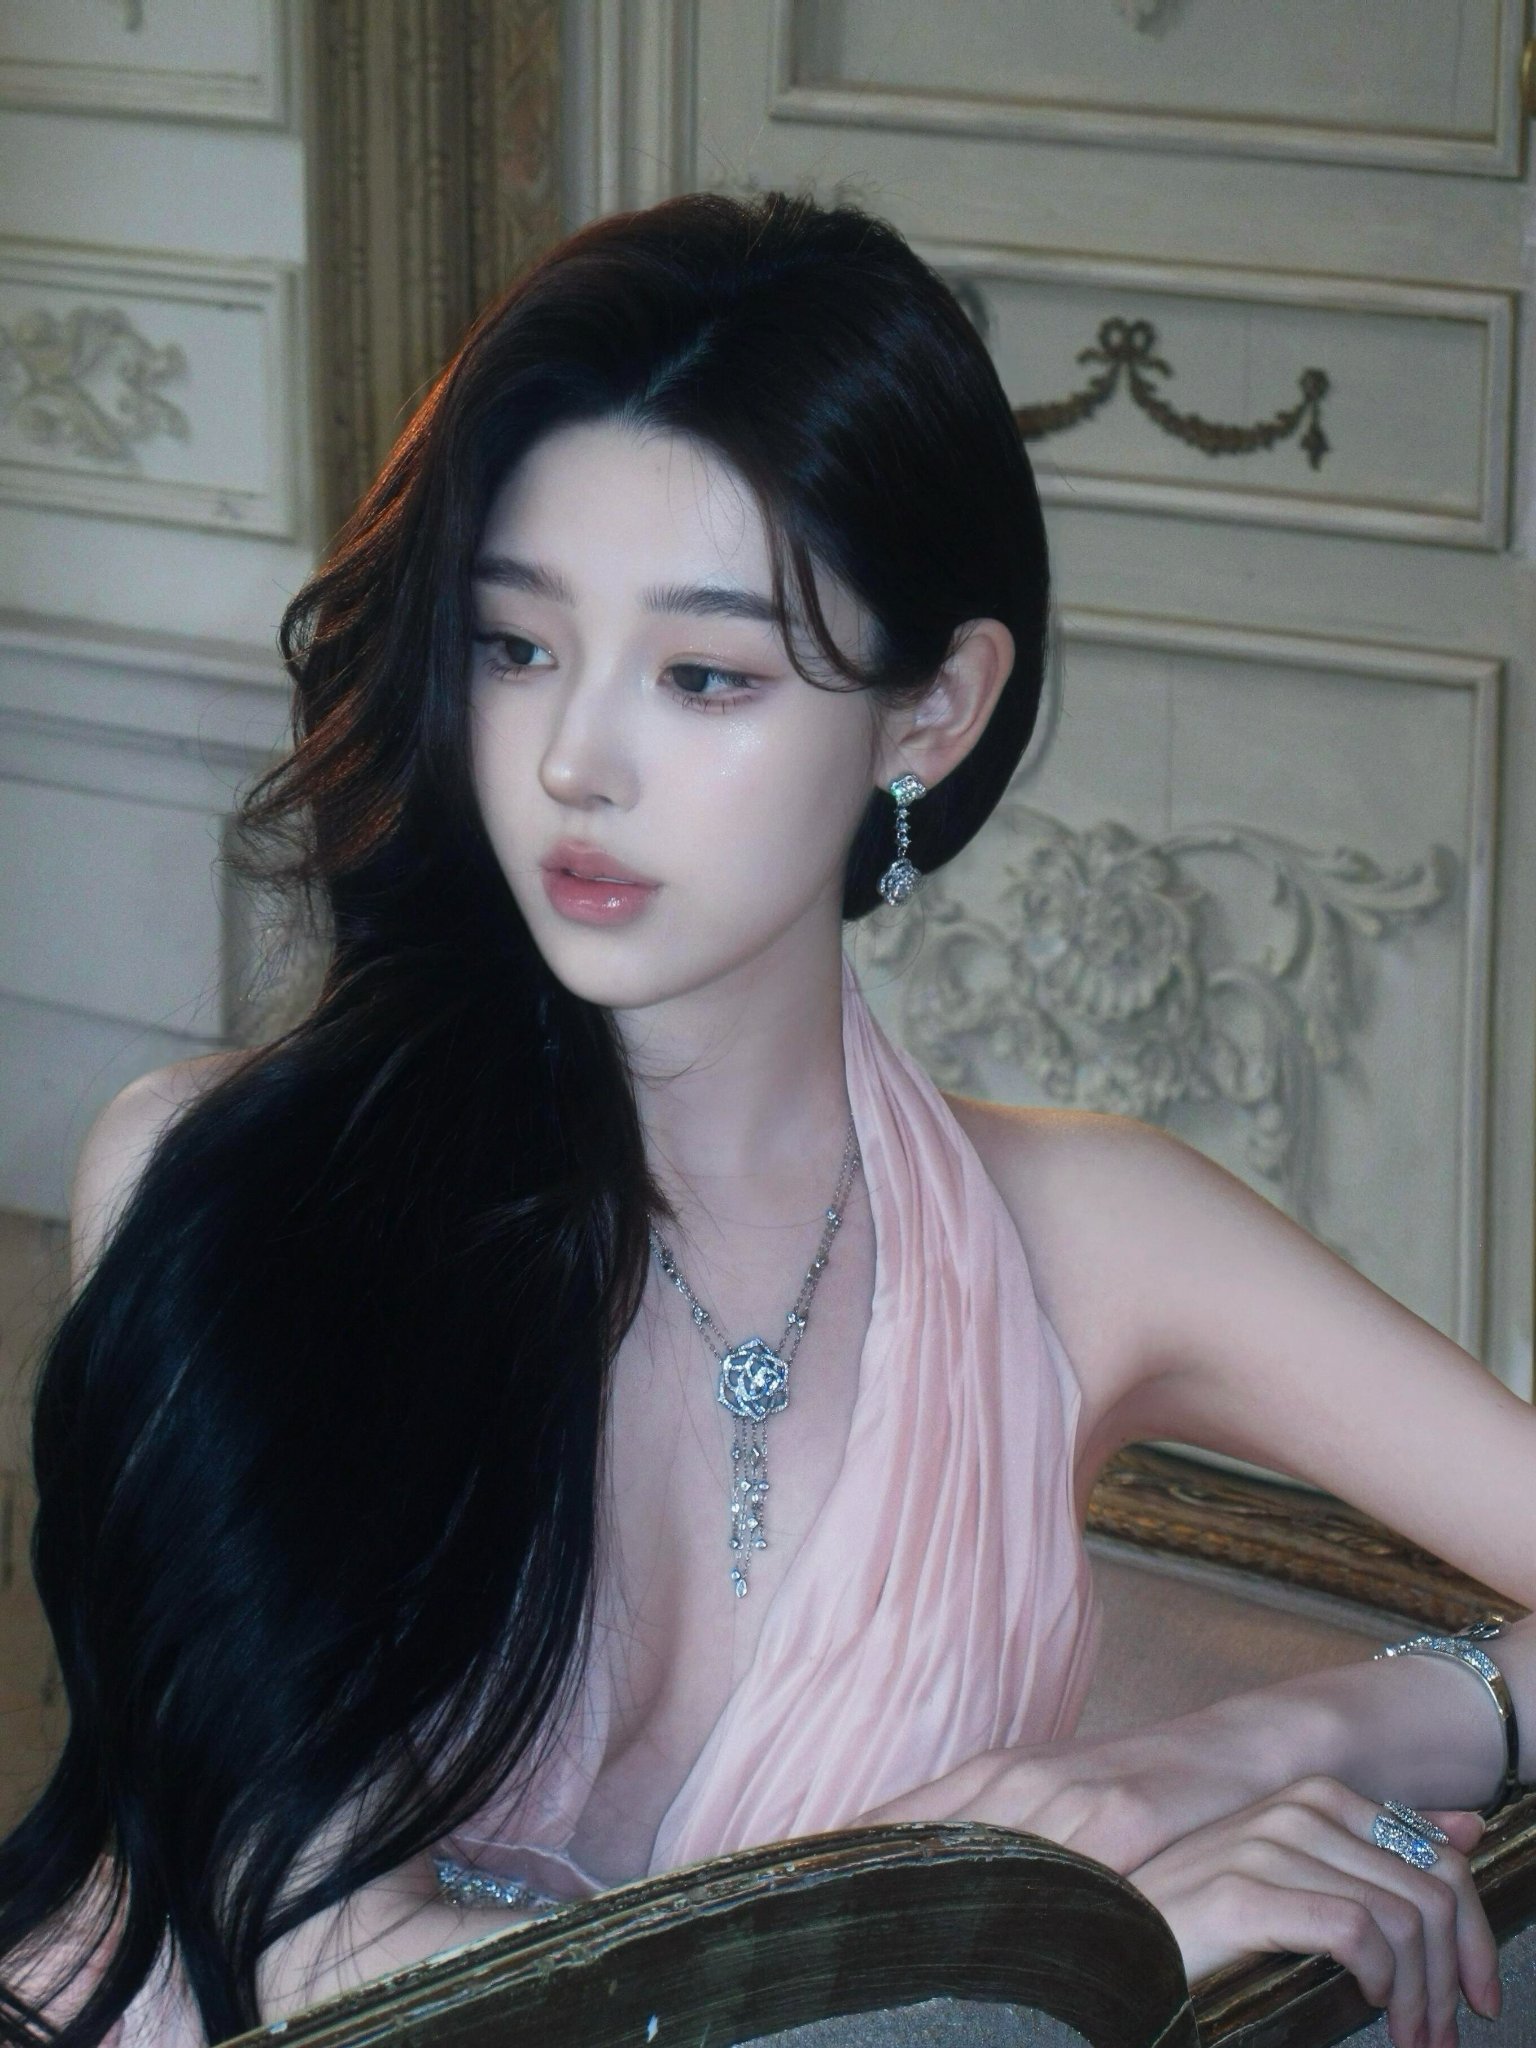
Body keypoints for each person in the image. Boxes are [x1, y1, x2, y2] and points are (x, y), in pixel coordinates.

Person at [0, 188, 1530, 2048]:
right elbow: (335, 1990)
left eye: (704, 675)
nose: (576, 762)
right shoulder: (227, 1180)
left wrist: (1281, 1735)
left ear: (934, 712)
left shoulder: (1090, 1239)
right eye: (514, 646)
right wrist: (1041, 1923)